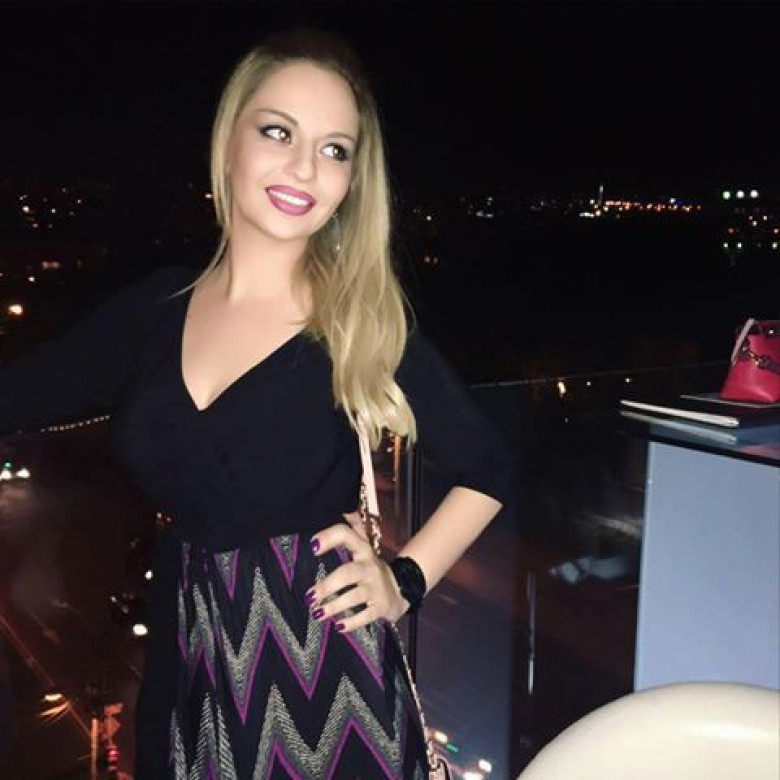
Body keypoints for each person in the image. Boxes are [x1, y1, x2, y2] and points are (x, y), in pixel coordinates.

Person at [0, 27, 517, 779]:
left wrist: (404, 581)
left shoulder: (356, 320)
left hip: (321, 667)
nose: (305, 167)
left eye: (335, 149)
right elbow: (20, 392)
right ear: (230, 141)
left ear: (352, 181)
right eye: (279, 132)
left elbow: (491, 462)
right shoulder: (154, 309)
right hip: (189, 651)